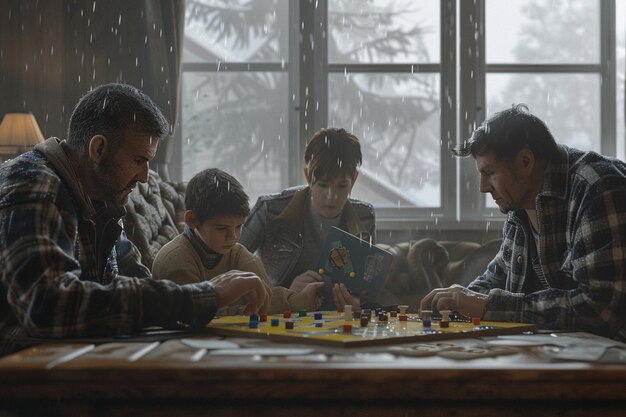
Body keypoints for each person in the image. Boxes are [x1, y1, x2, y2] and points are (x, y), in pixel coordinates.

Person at [0, 83, 271, 355]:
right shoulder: (35, 188)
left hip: (70, 364)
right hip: (24, 379)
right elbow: (49, 306)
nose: (144, 176)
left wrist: (196, 299)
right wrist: (205, 296)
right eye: (139, 159)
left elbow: (136, 281)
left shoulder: (100, 200)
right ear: (99, 149)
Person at [420, 104, 626, 341]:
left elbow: (600, 309)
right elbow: (497, 276)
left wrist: (487, 305)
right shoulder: (520, 205)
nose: (482, 187)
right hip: (568, 355)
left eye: (489, 173)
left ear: (525, 161)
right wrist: (456, 299)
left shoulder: (600, 189)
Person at [239, 127, 397, 311]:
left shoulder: (364, 216)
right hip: (282, 314)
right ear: (307, 176)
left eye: (342, 185)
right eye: (323, 184)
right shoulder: (271, 210)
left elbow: (364, 287)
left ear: (354, 179)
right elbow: (233, 269)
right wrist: (284, 293)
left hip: (335, 319)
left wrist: (356, 305)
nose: (332, 196)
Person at [152, 168, 324, 313]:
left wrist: (302, 299)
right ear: (192, 220)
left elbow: (267, 298)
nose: (233, 237)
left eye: (238, 226)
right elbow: (194, 315)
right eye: (221, 228)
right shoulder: (176, 261)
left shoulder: (238, 253)